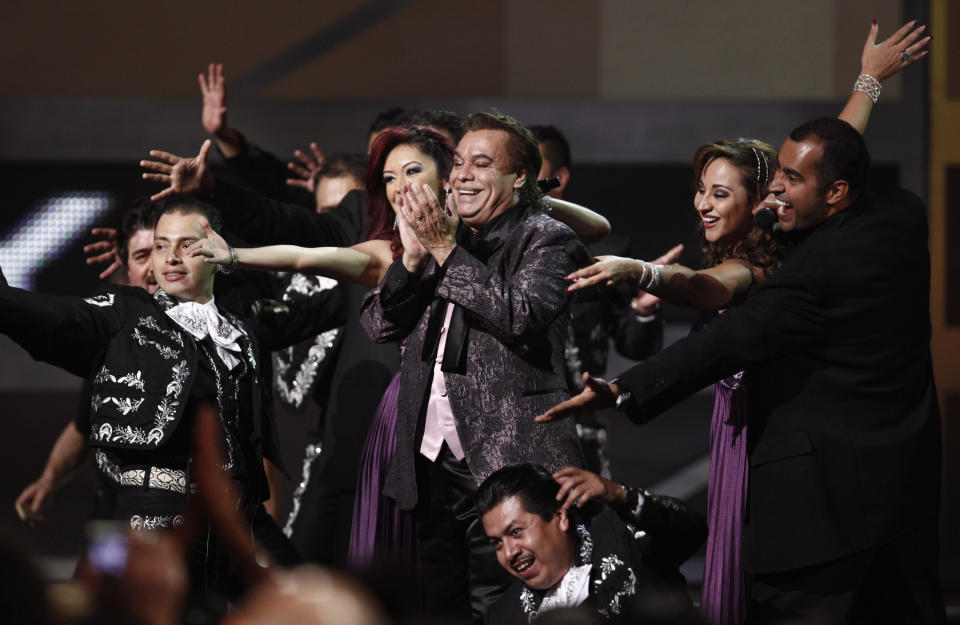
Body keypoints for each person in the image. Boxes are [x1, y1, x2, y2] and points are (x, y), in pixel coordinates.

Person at [559, 20, 931, 625]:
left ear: (761, 200)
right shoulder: (790, 222)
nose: (704, 203)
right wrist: (869, 80)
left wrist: (638, 272)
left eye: (721, 193)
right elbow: (832, 150)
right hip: (745, 439)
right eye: (700, 190)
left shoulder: (759, 265)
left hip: (760, 445)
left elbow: (705, 289)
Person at [0, 197, 301, 606]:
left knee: (302, 598)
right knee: (115, 601)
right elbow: (54, 319)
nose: (169, 257)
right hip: (149, 511)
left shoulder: (243, 334)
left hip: (236, 516)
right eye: (159, 246)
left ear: (215, 248)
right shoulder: (124, 317)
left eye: (187, 245)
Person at [358, 111, 587, 619]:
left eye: (481, 164)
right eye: (458, 162)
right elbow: (377, 325)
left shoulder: (546, 239)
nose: (461, 175)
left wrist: (442, 248)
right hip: (428, 464)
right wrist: (413, 261)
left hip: (509, 462)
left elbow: (519, 313)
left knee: (504, 608)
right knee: (440, 606)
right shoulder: (444, 237)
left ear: (519, 177)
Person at [532, 124, 679, 477]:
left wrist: (643, 308)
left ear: (559, 177)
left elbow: (634, 345)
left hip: (579, 431)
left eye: (529, 169)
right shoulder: (490, 250)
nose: (518, 180)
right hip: (504, 425)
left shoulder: (606, 253)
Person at [16, 199, 161, 525]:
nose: (154, 267)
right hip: (112, 516)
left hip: (183, 524)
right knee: (95, 573)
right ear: (126, 266)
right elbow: (83, 425)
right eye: (141, 255)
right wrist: (48, 481)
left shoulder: (216, 337)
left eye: (161, 250)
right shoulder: (113, 333)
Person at [477, 463, 706, 623]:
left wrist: (623, 496)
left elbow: (692, 530)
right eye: (496, 542)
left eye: (516, 531)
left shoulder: (621, 533)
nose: (509, 553)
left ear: (559, 517)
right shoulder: (503, 615)